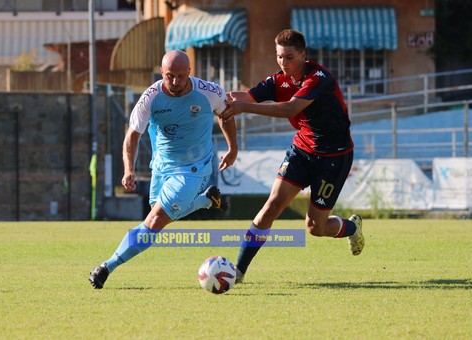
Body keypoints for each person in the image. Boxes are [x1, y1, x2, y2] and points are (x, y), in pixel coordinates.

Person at [221, 29, 364, 283]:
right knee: (271, 207)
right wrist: (217, 99)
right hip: (302, 150)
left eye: (289, 57)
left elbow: (290, 108)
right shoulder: (279, 81)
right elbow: (245, 96)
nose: (283, 63)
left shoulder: (319, 78)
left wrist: (244, 108)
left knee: (315, 228)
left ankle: (351, 227)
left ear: (303, 55)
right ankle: (238, 272)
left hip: (334, 157)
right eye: (279, 56)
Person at [89, 50, 238, 289]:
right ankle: (206, 201)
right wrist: (129, 169)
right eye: (170, 76)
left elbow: (226, 115)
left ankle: (107, 266)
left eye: (181, 76)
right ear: (162, 72)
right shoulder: (150, 98)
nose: (176, 82)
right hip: (162, 167)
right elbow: (132, 136)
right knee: (162, 215)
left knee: (155, 221)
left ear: (190, 72)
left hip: (194, 168)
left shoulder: (209, 92)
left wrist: (233, 149)